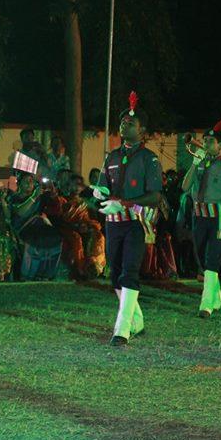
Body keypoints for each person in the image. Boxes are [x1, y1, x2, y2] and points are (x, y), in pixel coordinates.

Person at [94, 92, 164, 345]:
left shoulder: (149, 159)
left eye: (130, 123)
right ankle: (137, 320)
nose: (124, 125)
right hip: (113, 223)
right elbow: (103, 185)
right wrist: (99, 192)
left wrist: (123, 203)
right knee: (115, 274)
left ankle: (122, 329)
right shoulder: (111, 156)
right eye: (122, 121)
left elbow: (155, 196)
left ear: (142, 130)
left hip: (136, 222)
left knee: (130, 271)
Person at [182, 118, 221, 319]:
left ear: (220, 145)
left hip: (217, 215)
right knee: (200, 256)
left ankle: (206, 303)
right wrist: (194, 163)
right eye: (204, 141)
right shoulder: (199, 163)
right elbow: (185, 187)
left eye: (210, 142)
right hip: (199, 214)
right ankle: (217, 297)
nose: (205, 145)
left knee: (212, 257)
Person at [9, 173, 63, 282]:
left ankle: (45, 274)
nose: (30, 184)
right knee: (34, 239)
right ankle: (27, 274)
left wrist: (52, 190)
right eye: (27, 181)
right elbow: (20, 212)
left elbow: (55, 205)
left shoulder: (40, 197)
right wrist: (34, 196)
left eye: (32, 181)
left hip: (38, 227)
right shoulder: (14, 197)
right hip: (23, 227)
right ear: (19, 184)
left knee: (55, 237)